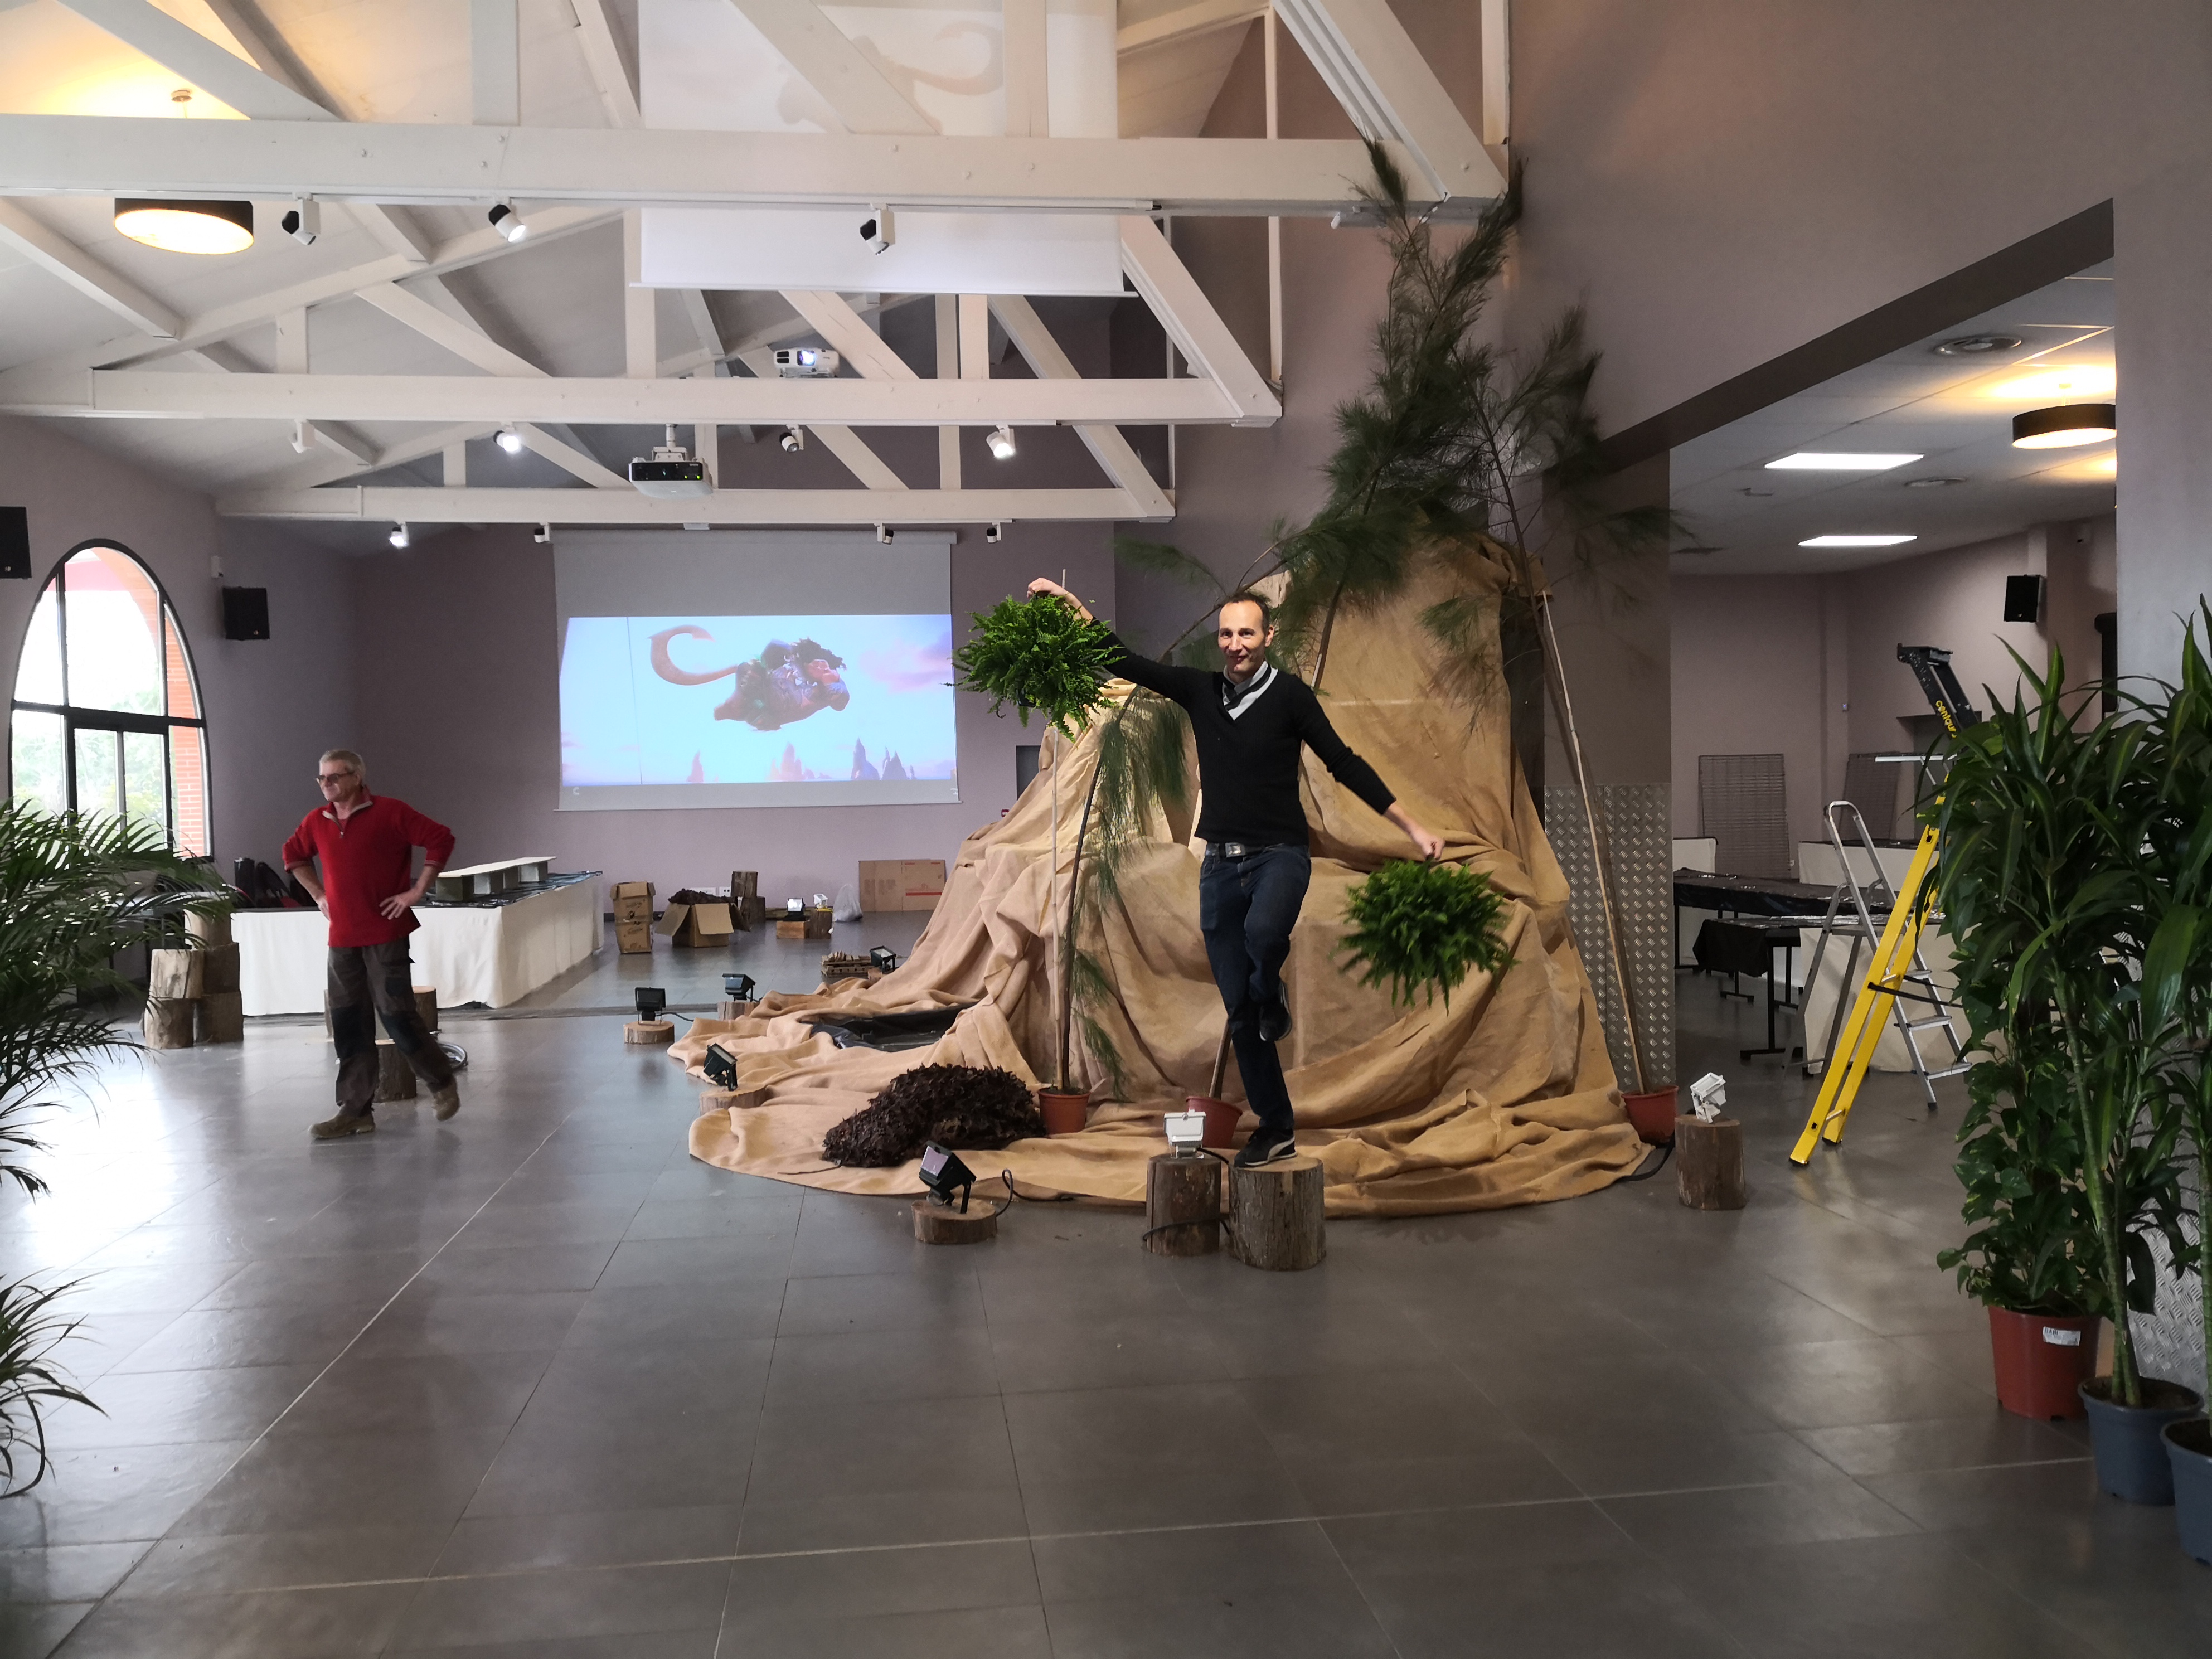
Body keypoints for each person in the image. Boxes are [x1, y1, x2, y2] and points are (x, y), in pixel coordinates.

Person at [1027, 579, 1444, 1167]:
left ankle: (1269, 989)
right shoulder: (1199, 691)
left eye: (1246, 633)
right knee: (1242, 1014)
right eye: (1226, 634)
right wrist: (1073, 606)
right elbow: (1124, 660)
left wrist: (1411, 827)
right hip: (1219, 867)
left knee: (1264, 936)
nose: (1235, 644)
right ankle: (1276, 1127)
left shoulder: (1290, 697)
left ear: (1268, 636)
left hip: (1279, 856)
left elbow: (1344, 763)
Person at [282, 749, 460, 1140]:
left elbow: (440, 839)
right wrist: (319, 895)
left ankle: (441, 1081)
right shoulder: (316, 820)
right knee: (348, 1021)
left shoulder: (391, 812)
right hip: (342, 937)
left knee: (396, 1015)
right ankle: (355, 1110)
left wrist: (417, 890)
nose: (327, 784)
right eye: (321, 778)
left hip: (385, 931)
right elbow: (293, 855)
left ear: (358, 777)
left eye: (334, 777)